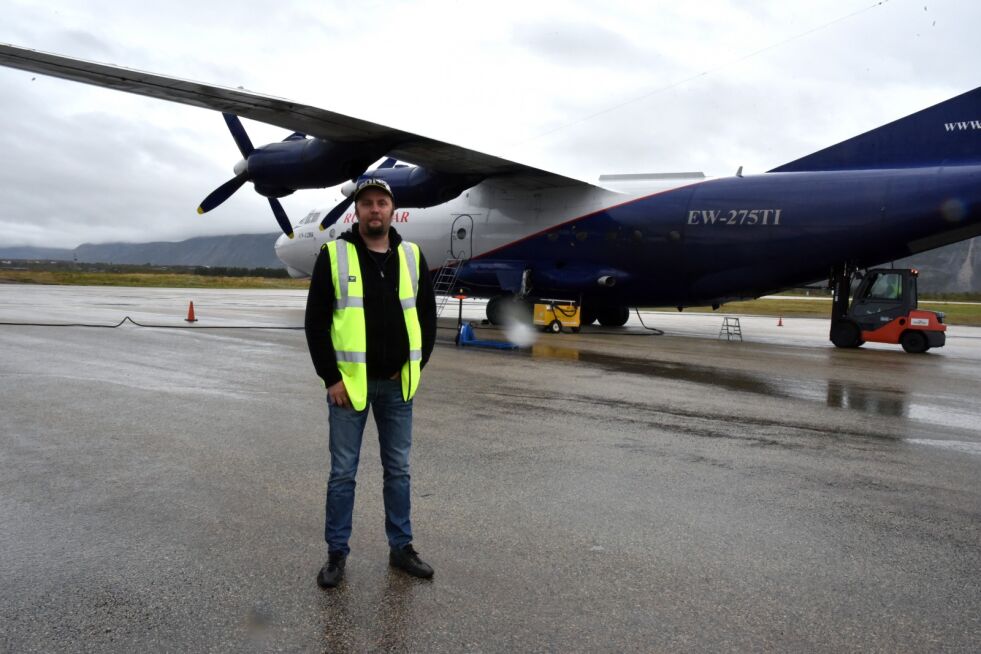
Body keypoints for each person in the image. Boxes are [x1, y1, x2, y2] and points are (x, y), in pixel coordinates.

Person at [304, 178, 437, 588]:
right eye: (367, 204)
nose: (375, 210)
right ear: (357, 211)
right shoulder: (334, 255)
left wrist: (414, 366)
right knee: (343, 473)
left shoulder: (413, 257)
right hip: (349, 389)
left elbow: (427, 321)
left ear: (392, 210)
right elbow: (316, 323)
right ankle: (336, 554)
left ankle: (402, 547)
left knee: (398, 470)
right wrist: (331, 377)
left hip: (398, 388)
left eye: (382, 203)